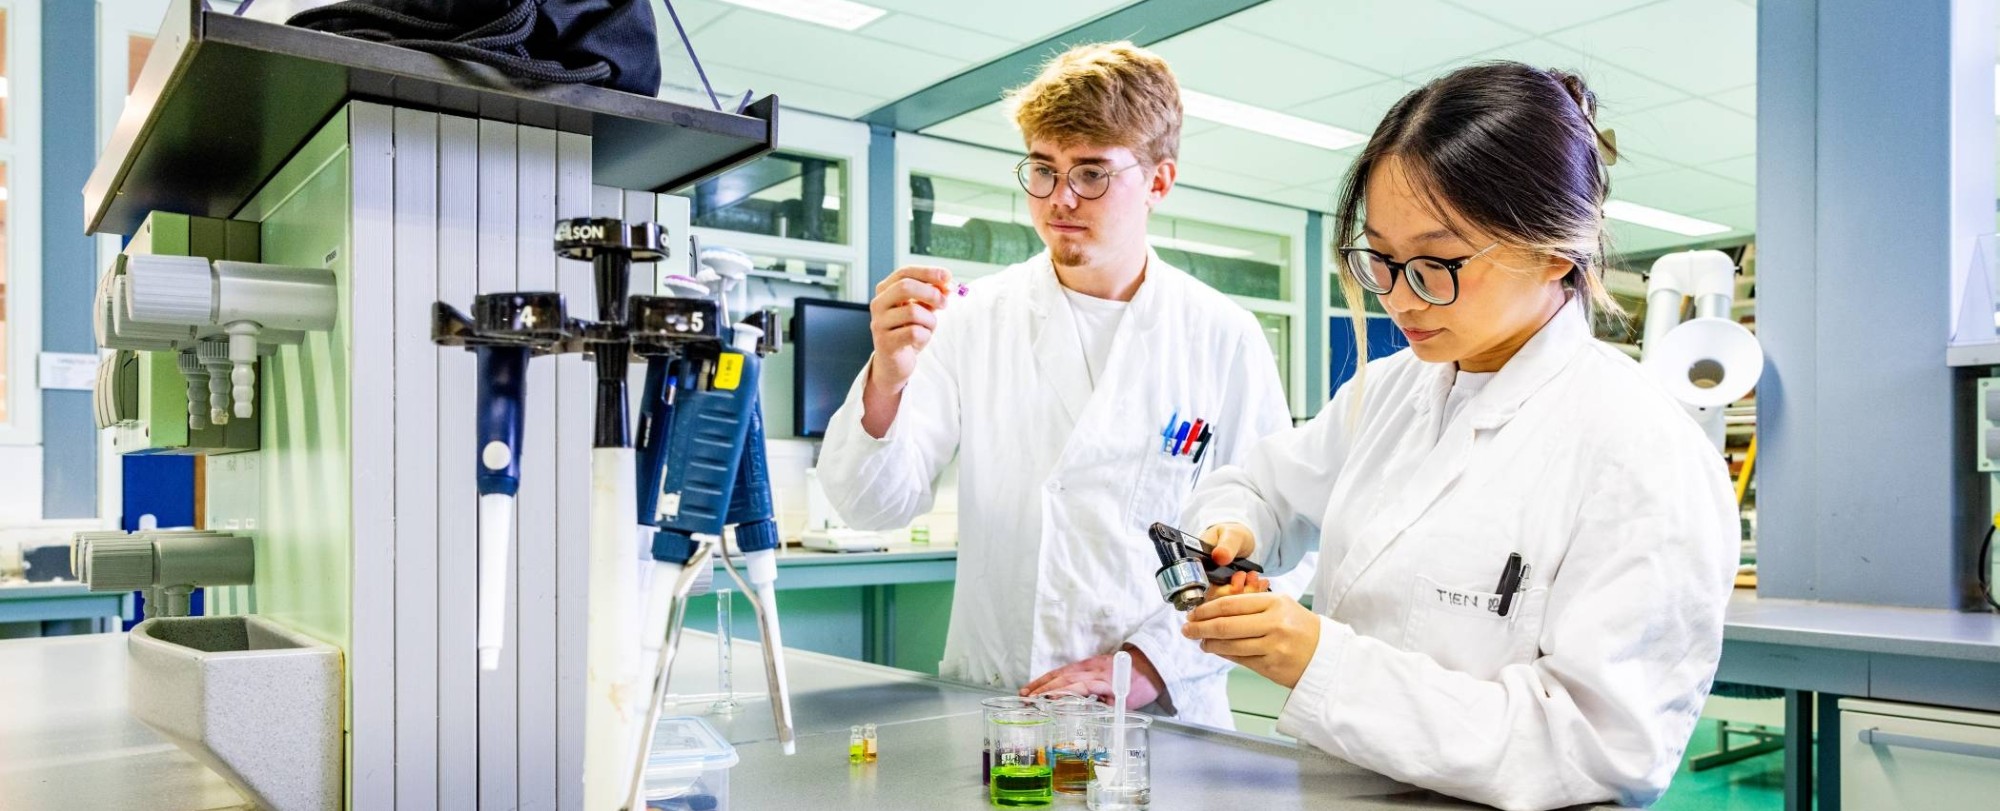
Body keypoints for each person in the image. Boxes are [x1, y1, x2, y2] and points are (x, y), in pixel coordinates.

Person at [1179, 62, 1737, 810]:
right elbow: (1263, 485)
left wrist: (1322, 661)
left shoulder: (1641, 448)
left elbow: (1600, 748)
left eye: (1438, 262)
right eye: (1380, 257)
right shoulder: (1396, 389)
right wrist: (1235, 529)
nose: (1399, 296)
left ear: (1555, 249)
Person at [816, 41, 1308, 727]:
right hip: (1003, 699)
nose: (1059, 199)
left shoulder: (1222, 335)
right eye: (1042, 170)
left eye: (1092, 174)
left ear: (1160, 181)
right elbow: (871, 506)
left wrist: (1141, 666)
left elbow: (1278, 548)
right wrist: (887, 381)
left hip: (1161, 719)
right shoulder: (975, 318)